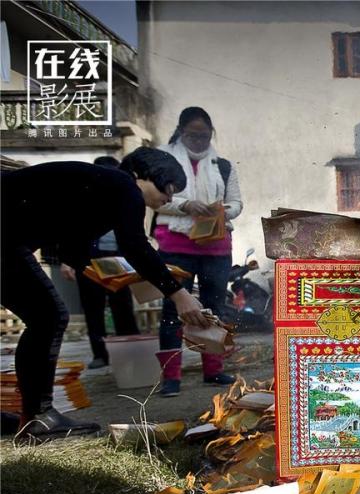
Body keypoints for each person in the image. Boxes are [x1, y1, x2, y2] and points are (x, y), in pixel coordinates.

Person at [1, 148, 211, 440]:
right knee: (47, 316)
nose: (169, 198)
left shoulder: (100, 190)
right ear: (145, 175)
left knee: (45, 316)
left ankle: (32, 416)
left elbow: (71, 249)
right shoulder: (124, 186)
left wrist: (117, 275)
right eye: (169, 187)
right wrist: (178, 295)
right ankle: (38, 417)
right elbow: (135, 246)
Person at [153, 106, 243, 397]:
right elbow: (154, 199)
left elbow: (237, 204)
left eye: (205, 136)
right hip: (175, 245)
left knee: (213, 307)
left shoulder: (223, 165)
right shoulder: (163, 160)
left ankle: (213, 370)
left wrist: (221, 210)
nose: (199, 141)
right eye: (193, 135)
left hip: (215, 245)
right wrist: (185, 205)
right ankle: (171, 377)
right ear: (181, 132)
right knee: (173, 309)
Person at [56, 156, 141, 369]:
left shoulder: (125, 199)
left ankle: (130, 351)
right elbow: (66, 234)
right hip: (89, 261)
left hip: (118, 260)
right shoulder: (81, 201)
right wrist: (66, 262)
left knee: (122, 307)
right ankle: (100, 355)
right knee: (93, 309)